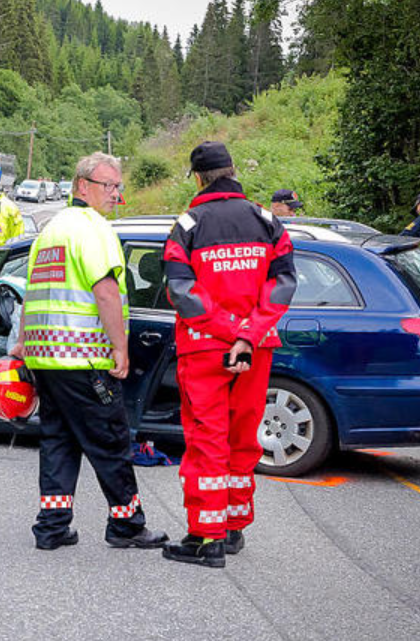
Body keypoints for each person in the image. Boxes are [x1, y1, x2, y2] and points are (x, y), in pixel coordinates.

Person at [11, 151, 168, 551]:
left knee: (58, 442)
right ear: (83, 185)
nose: (116, 194)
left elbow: (32, 294)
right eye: (108, 185)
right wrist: (120, 348)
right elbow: (106, 291)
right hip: (84, 359)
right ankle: (126, 524)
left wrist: (23, 342)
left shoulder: (50, 231)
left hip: (46, 359)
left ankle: (52, 526)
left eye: (118, 186)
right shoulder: (94, 229)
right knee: (110, 441)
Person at [161, 141, 296, 568]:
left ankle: (207, 538)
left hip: (206, 348)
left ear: (199, 178)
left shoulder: (188, 225)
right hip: (255, 349)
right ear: (233, 169)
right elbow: (284, 284)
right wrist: (248, 334)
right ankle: (234, 527)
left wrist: (229, 331)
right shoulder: (267, 220)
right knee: (242, 439)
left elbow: (181, 290)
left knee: (207, 441)